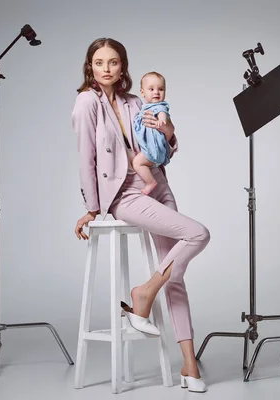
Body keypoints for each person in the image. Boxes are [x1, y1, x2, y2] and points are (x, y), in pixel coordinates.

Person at [72, 38, 210, 393]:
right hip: (125, 194)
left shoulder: (137, 101)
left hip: (156, 182)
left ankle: (189, 365)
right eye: (99, 62)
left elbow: (162, 151)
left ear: (123, 67)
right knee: (197, 234)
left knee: (174, 274)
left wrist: (169, 131)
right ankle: (143, 293)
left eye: (113, 62)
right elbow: (85, 157)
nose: (106, 68)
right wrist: (91, 208)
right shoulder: (87, 103)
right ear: (90, 66)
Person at [132, 71, 171, 195]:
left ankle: (150, 182)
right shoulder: (145, 107)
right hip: (152, 148)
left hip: (154, 149)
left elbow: (163, 114)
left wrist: (162, 121)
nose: (156, 92)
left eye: (161, 89)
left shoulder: (159, 106)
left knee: (137, 163)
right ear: (142, 92)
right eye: (151, 89)